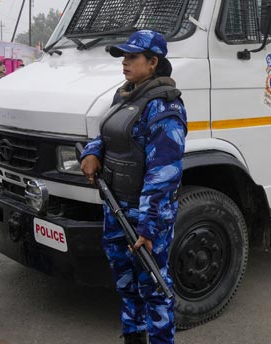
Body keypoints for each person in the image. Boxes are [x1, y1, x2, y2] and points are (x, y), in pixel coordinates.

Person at [79, 30, 187, 344]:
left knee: (153, 288)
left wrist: (149, 227)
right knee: (126, 283)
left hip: (144, 216)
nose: (125, 62)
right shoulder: (125, 95)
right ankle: (133, 337)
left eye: (132, 57)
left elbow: (163, 173)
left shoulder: (164, 107)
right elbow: (106, 134)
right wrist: (91, 152)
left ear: (153, 62)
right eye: (123, 57)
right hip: (116, 206)